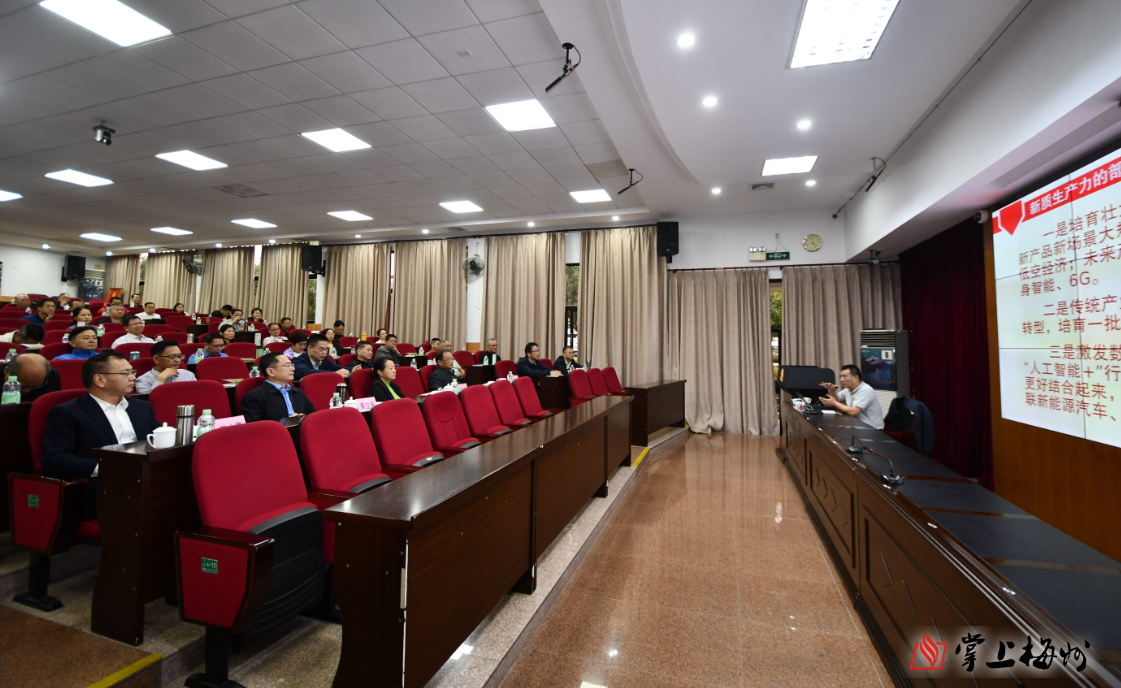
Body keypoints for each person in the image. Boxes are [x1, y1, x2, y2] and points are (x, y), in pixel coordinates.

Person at [42, 352, 159, 519]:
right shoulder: (68, 413)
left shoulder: (141, 407)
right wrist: (108, 468)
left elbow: (156, 439)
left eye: (132, 372)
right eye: (125, 373)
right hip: (104, 484)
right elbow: (54, 459)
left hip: (144, 474)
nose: (133, 377)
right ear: (99, 380)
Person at [241, 352, 316, 423]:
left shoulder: (298, 392)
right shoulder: (255, 396)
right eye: (287, 365)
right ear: (271, 372)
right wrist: (286, 422)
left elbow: (314, 416)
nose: (293, 369)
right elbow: (253, 427)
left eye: (292, 365)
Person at [820, 365, 885, 429]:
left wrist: (834, 403)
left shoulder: (865, 390)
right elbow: (837, 400)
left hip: (872, 428)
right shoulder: (848, 389)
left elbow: (854, 412)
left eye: (845, 376)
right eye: (841, 376)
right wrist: (831, 390)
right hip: (857, 425)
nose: (841, 379)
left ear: (856, 378)